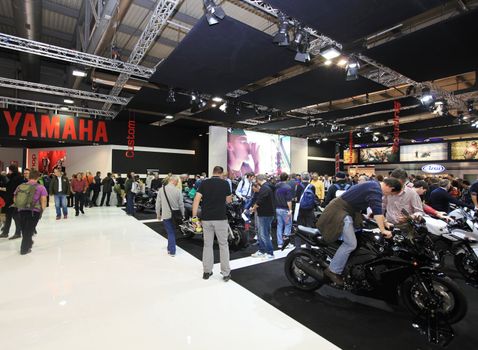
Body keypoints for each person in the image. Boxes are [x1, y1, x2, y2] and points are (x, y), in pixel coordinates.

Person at [317, 178, 402, 286]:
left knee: (360, 236)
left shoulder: (373, 184)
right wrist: (383, 230)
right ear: (391, 188)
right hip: (340, 212)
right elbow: (377, 212)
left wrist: (385, 222)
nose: (389, 195)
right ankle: (333, 270)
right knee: (351, 243)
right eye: (391, 193)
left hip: (349, 211)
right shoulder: (375, 190)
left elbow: (376, 209)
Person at [192, 166, 232, 281]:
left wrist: (194, 217)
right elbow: (229, 200)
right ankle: (225, 273)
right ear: (221, 173)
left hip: (206, 219)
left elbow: (196, 199)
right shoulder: (225, 184)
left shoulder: (204, 183)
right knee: (223, 245)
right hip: (220, 218)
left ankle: (207, 271)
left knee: (207, 245)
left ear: (213, 172)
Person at [14, 169, 47, 255]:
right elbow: (43, 201)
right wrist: (42, 211)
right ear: (38, 177)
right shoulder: (41, 187)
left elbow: (15, 198)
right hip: (34, 211)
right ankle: (24, 250)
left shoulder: (20, 186)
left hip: (21, 210)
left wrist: (19, 207)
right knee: (29, 230)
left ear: (29, 176)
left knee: (25, 229)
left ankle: (28, 243)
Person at [156, 175, 185, 257]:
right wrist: (182, 214)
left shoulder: (161, 190)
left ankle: (172, 250)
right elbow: (181, 205)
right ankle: (170, 248)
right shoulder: (178, 190)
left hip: (166, 215)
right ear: (174, 181)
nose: (177, 183)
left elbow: (158, 203)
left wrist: (158, 214)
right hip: (176, 215)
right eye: (177, 182)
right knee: (172, 232)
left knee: (170, 232)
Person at [250, 174, 275, 258]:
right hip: (267, 213)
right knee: (262, 233)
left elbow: (259, 201)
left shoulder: (265, 188)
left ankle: (270, 252)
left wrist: (253, 208)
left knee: (264, 234)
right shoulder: (269, 186)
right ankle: (262, 250)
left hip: (265, 214)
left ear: (258, 180)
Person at [0, 165, 24, 239]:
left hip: (14, 199)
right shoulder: (12, 176)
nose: (9, 172)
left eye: (10, 170)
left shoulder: (17, 177)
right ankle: (5, 232)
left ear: (12, 170)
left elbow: (10, 187)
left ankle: (17, 233)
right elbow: (6, 185)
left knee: (15, 216)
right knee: (8, 216)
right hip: (10, 199)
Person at [274, 172, 293, 249]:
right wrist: (290, 209)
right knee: (288, 225)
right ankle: (286, 243)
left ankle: (280, 243)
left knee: (279, 226)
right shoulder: (287, 187)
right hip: (285, 209)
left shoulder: (276, 186)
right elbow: (289, 200)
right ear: (287, 178)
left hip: (277, 208)